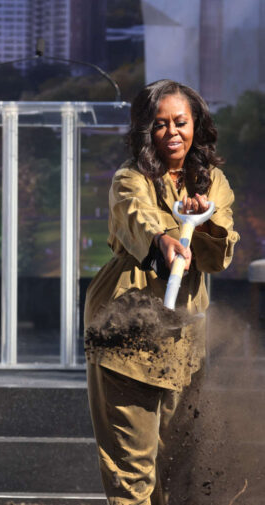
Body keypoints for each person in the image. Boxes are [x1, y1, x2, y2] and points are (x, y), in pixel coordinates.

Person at [83, 79, 239, 504]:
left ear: (197, 125)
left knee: (179, 466)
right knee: (132, 469)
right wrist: (163, 240)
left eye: (181, 122)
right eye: (160, 124)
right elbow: (136, 218)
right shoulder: (129, 179)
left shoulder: (213, 182)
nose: (172, 132)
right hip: (125, 329)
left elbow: (217, 255)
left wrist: (202, 223)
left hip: (184, 336)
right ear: (144, 130)